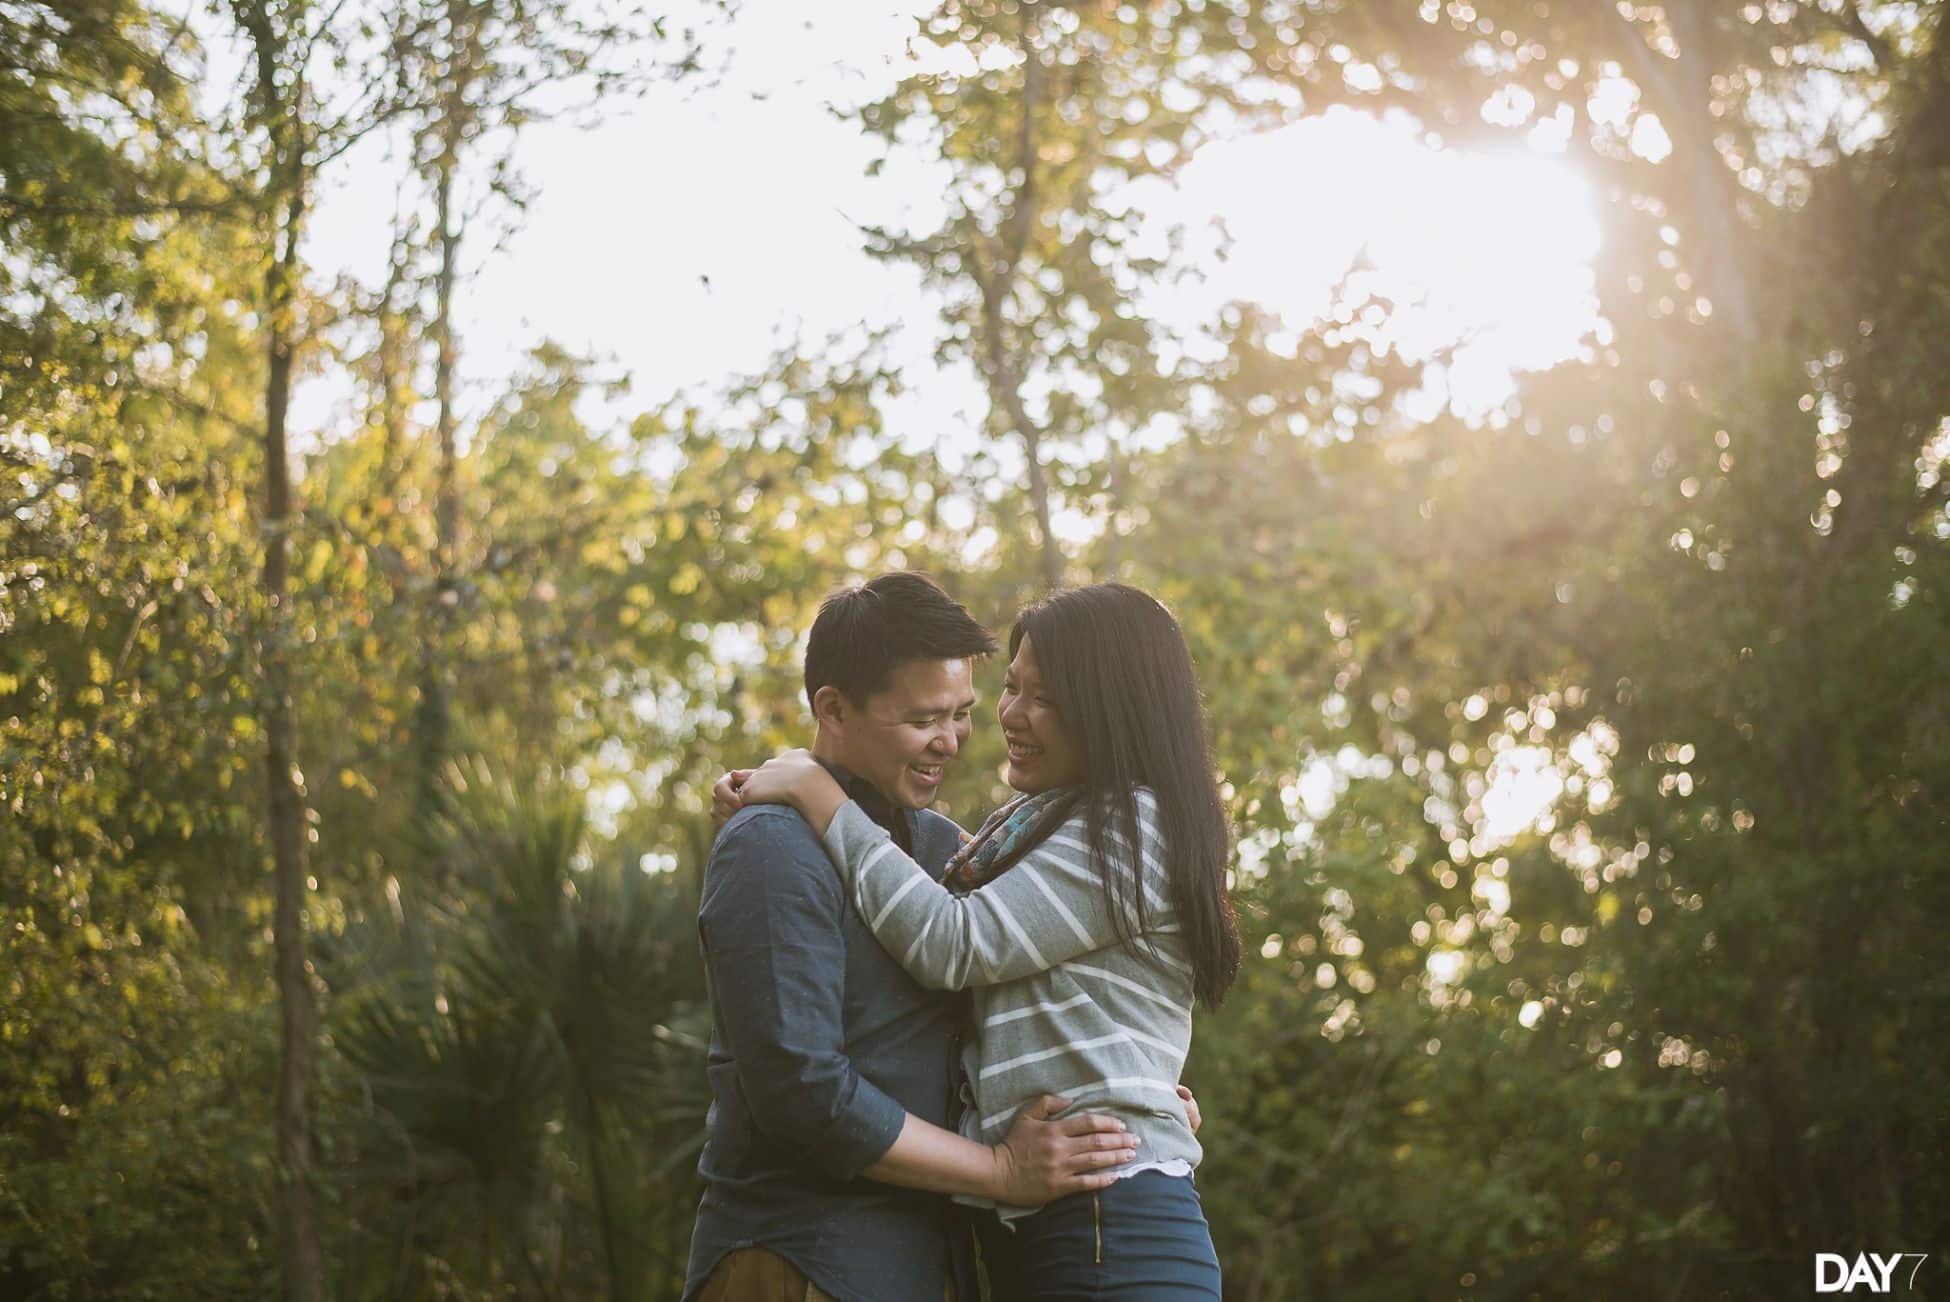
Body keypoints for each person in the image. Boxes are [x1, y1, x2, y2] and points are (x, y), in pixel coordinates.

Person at [721, 582, 1241, 1300]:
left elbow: (953, 938)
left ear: (1112, 710)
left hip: (1105, 1229)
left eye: (1046, 700)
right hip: (1041, 1236)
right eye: (1012, 688)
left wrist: (814, 793)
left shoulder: (1128, 826)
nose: (1008, 719)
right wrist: (776, 807)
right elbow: (944, 896)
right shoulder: (1027, 833)